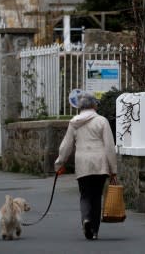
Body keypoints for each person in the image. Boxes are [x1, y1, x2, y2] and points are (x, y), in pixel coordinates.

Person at [54, 91, 118, 240]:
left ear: (80, 107)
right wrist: (113, 169)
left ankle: (86, 220)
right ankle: (94, 230)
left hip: (82, 163)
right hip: (100, 163)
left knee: (85, 196)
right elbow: (109, 146)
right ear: (94, 105)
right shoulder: (102, 121)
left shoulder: (74, 122)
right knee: (96, 196)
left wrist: (59, 164)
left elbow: (66, 146)